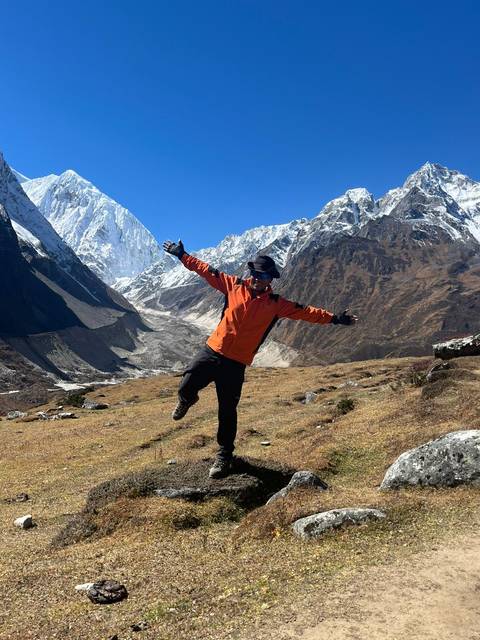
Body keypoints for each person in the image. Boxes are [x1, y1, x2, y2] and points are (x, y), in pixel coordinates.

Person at [162, 239, 358, 479]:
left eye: (263, 275)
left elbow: (306, 312)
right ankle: (186, 400)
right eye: (254, 273)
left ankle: (224, 455)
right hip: (213, 350)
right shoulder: (233, 285)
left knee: (227, 410)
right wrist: (182, 255)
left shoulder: (277, 305)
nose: (257, 278)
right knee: (187, 384)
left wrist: (336, 318)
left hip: (236, 363)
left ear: (270, 279)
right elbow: (206, 270)